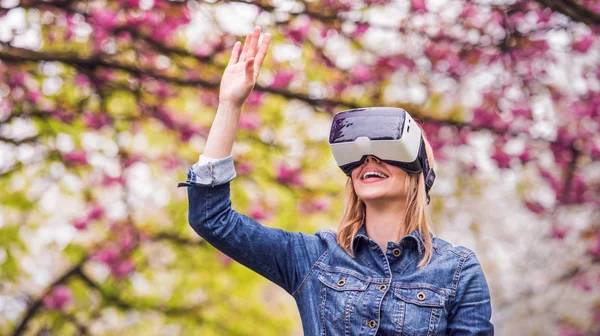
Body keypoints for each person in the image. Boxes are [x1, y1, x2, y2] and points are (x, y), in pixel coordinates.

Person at [178, 26, 494, 335]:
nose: (369, 159)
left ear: (419, 171)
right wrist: (229, 106)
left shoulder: (457, 271)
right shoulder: (314, 258)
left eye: (385, 148)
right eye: (359, 153)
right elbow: (211, 217)